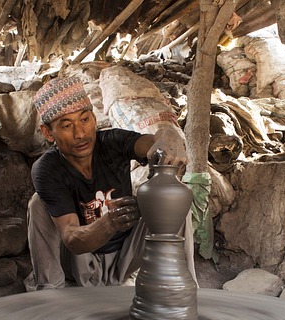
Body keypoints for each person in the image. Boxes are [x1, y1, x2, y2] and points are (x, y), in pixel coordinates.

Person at [24, 75, 196, 290]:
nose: (80, 134)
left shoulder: (112, 142)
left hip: (125, 257)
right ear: (48, 133)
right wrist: (110, 222)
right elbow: (72, 239)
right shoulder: (47, 169)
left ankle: (183, 289)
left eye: (85, 120)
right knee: (38, 205)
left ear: (94, 119)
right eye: (67, 125)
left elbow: (151, 142)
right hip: (80, 263)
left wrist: (168, 135)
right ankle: (49, 292)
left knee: (175, 202)